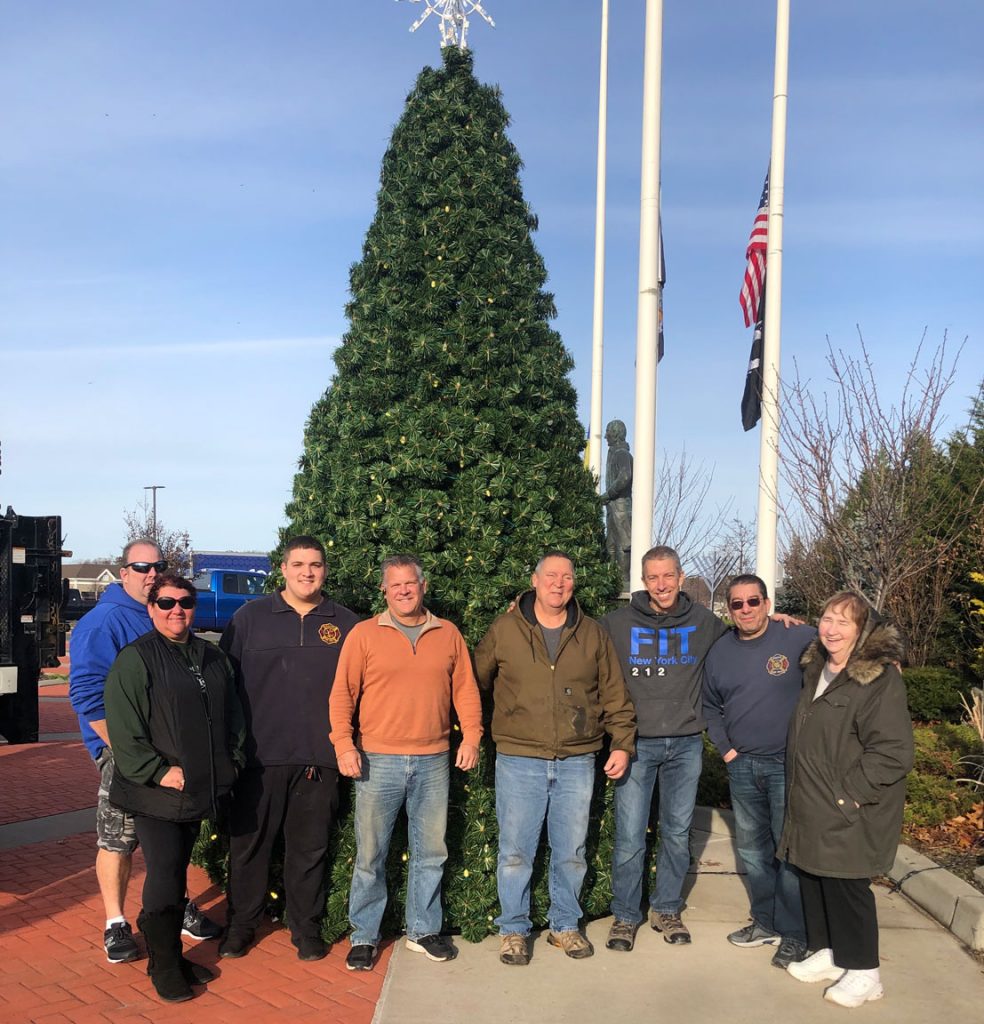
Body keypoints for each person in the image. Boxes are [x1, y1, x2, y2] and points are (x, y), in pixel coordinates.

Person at [474, 551, 636, 966]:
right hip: (518, 759)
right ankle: (513, 929)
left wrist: (621, 743)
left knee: (571, 850)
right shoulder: (506, 629)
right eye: (551, 576)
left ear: (573, 584)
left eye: (566, 576)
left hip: (577, 760)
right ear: (534, 580)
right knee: (515, 851)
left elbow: (614, 693)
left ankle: (564, 925)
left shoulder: (592, 634)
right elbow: (477, 680)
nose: (559, 583)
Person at [69, 539, 222, 965]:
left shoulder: (159, 612)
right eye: (141, 567)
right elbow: (86, 696)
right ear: (124, 573)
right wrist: (130, 756)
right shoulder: (106, 622)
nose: (151, 573)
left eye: (159, 566)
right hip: (125, 757)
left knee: (172, 835)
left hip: (172, 757)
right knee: (119, 839)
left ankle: (176, 905)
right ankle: (116, 922)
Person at [329, 554, 483, 972]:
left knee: (431, 851)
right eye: (395, 585)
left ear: (423, 585)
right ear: (384, 589)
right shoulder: (363, 635)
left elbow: (465, 690)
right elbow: (343, 694)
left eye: (410, 583)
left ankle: (423, 930)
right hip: (377, 759)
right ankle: (364, 935)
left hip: (433, 759)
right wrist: (344, 745)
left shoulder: (448, 634)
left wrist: (471, 735)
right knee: (370, 854)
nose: (403, 591)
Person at [104, 574, 245, 1003]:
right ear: (151, 608)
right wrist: (158, 770)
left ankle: (174, 955)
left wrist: (232, 763)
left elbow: (232, 715)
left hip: (200, 787)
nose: (176, 610)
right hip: (156, 792)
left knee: (179, 869)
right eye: (165, 602)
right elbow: (123, 727)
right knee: (165, 872)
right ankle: (163, 962)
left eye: (185, 602)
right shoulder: (137, 658)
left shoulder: (211, 656)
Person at [218, 536, 360, 961]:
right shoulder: (250, 618)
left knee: (309, 849)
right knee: (248, 848)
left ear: (325, 570)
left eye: (315, 564)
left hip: (320, 759)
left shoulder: (347, 623)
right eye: (298, 564)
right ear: (283, 569)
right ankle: (242, 925)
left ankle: (306, 928)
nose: (307, 572)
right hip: (258, 760)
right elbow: (225, 685)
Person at [779, 592, 913, 1008]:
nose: (831, 629)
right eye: (826, 619)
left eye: (843, 622)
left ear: (862, 631)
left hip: (846, 803)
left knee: (846, 885)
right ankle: (830, 952)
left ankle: (865, 972)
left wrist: (848, 797)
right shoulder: (817, 668)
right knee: (814, 875)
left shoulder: (877, 680)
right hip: (810, 798)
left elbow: (893, 752)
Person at [600, 545, 730, 950]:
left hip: (686, 744)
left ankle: (667, 908)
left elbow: (748, 637)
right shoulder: (615, 624)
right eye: (653, 577)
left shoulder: (705, 622)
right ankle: (625, 916)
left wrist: (780, 622)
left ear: (680, 576)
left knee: (676, 833)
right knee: (631, 835)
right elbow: (575, 639)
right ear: (643, 581)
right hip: (636, 744)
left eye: (668, 576)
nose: (661, 585)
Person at [702, 574, 816, 969]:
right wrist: (728, 752)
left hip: (787, 765)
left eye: (754, 601)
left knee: (789, 854)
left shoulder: (796, 637)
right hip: (743, 766)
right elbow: (710, 706)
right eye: (737, 604)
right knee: (753, 852)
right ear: (729, 609)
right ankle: (765, 923)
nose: (746, 609)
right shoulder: (720, 653)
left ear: (768, 603)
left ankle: (795, 934)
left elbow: (843, 643)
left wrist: (886, 657)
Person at [600, 420, 633, 590]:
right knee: (611, 546)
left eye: (608, 432)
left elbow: (625, 477)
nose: (606, 436)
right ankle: (611, 582)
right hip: (613, 508)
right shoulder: (614, 454)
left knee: (623, 545)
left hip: (621, 507)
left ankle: (623, 583)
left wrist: (608, 494)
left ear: (616, 433)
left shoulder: (621, 454)